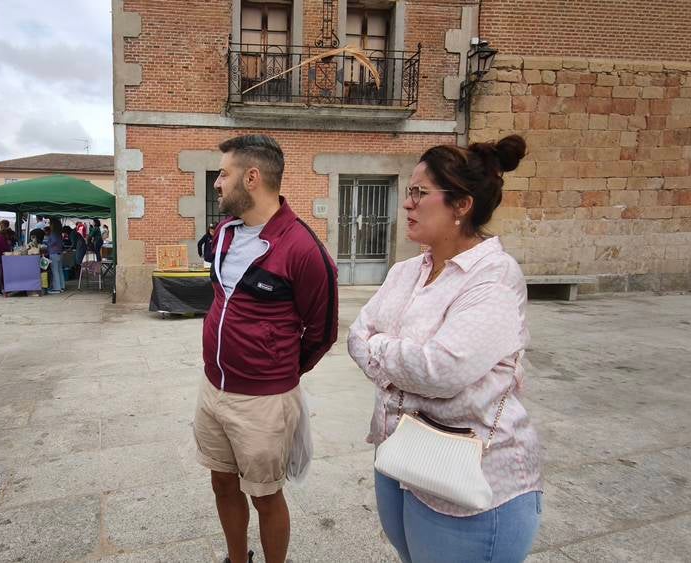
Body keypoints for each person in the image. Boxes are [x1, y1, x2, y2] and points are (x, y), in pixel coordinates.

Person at [348, 135, 542, 563]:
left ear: (461, 205)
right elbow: (355, 335)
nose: (407, 203)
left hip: (471, 478)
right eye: (408, 192)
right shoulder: (406, 271)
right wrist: (400, 358)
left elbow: (441, 369)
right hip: (399, 455)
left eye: (419, 192)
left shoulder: (493, 278)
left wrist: (381, 346)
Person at [195, 135, 338, 563]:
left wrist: (277, 370)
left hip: (264, 401)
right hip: (212, 388)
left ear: (252, 178)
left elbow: (322, 330)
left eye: (224, 174)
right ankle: (238, 559)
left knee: (265, 496)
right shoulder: (224, 232)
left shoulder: (302, 249)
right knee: (222, 482)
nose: (218, 183)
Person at [46, 218, 65, 293]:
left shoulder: (53, 233)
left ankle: (57, 288)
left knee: (55, 271)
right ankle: (62, 286)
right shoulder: (59, 233)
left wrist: (48, 244)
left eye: (50, 224)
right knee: (60, 271)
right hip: (59, 253)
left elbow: (53, 242)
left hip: (53, 253)